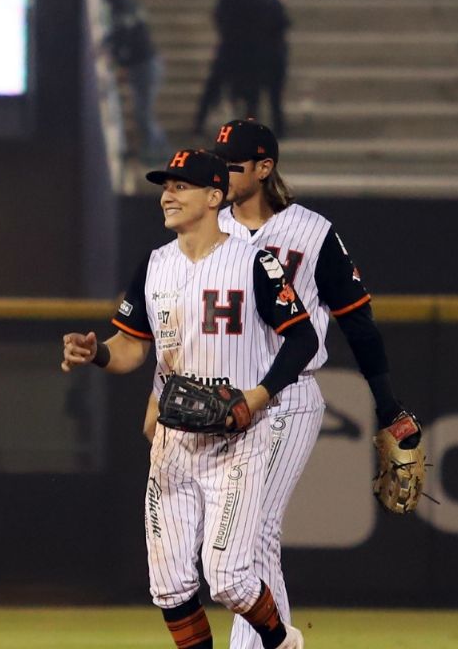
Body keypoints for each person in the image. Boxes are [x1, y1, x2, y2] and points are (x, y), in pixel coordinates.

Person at [144, 120, 425, 649]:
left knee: (254, 536)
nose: (223, 173)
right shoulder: (207, 226)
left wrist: (388, 406)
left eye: (234, 165)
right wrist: (158, 397)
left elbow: (356, 321)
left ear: (264, 168)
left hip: (287, 395)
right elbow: (174, 327)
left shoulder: (311, 232)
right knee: (221, 548)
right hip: (213, 401)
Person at [62, 149, 315, 649]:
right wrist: (97, 353)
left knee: (228, 580)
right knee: (171, 586)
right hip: (173, 443)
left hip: (236, 442)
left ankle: (282, 641)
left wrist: (257, 397)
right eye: (165, 186)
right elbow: (132, 347)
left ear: (215, 196)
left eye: (181, 185)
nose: (168, 195)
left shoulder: (254, 261)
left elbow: (303, 339)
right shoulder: (155, 265)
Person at [193, 0, 289, 136]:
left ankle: (199, 123)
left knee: (214, 88)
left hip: (229, 49)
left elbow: (218, 18)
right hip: (255, 51)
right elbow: (278, 23)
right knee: (254, 96)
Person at [99, 0, 171, 164]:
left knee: (143, 113)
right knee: (142, 113)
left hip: (144, 64)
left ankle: (159, 153)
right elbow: (121, 33)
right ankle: (152, 152)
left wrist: (120, 61)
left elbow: (126, 35)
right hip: (143, 63)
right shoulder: (126, 3)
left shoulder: (123, 4)